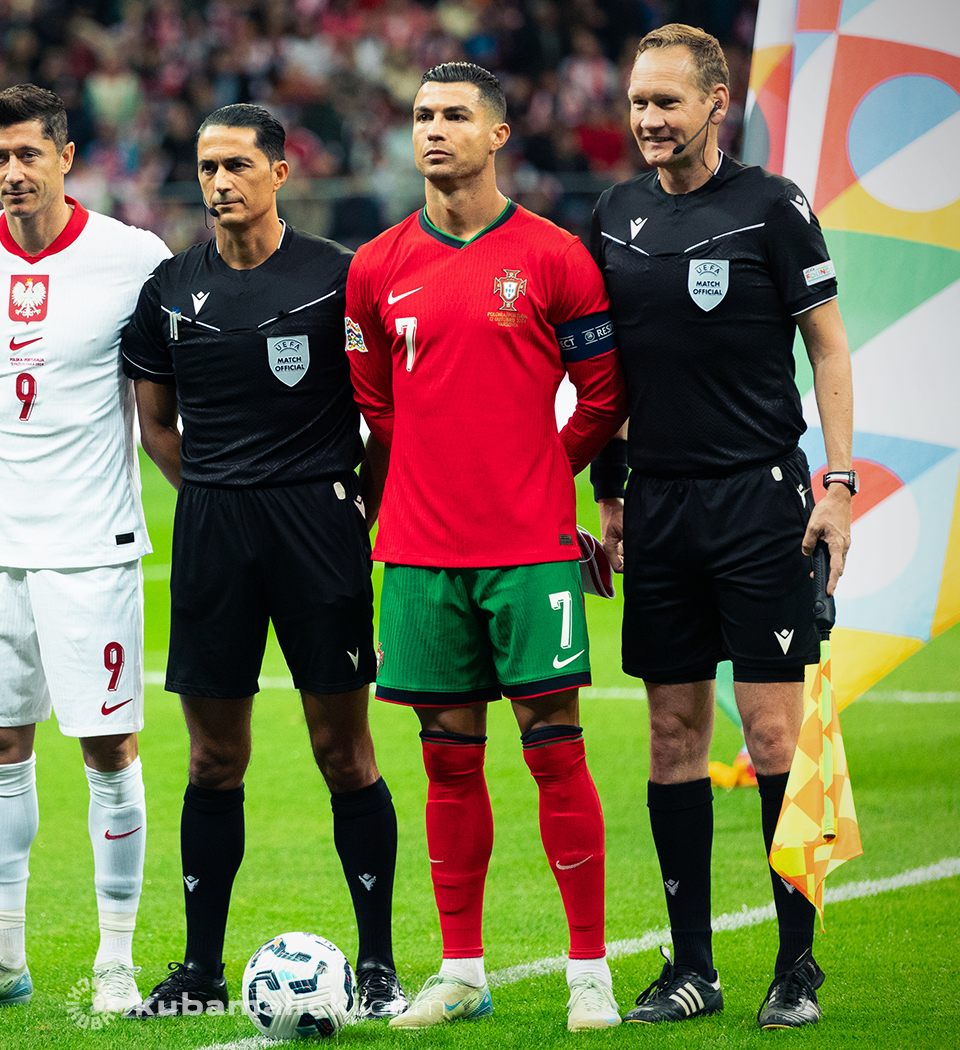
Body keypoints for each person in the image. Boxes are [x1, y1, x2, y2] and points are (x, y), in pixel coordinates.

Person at [345, 62, 627, 1032]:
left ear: (498, 135)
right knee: (445, 760)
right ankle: (460, 969)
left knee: (554, 751)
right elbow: (375, 401)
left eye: (455, 116)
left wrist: (540, 468)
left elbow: (602, 392)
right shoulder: (376, 266)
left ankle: (588, 970)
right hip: (418, 552)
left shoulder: (553, 256)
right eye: (422, 116)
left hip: (529, 547)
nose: (434, 130)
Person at [587, 24, 855, 1030]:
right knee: (669, 733)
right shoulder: (611, 220)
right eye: (637, 102)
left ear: (715, 101)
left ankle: (796, 964)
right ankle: (690, 966)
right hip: (656, 506)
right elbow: (602, 381)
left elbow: (826, 347)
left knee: (774, 728)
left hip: (759, 502)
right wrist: (607, 499)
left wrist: (837, 483)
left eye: (667, 101)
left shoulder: (772, 210)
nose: (649, 120)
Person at [119, 104, 406, 1021]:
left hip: (317, 526)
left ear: (281, 172)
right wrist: (207, 491)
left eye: (238, 164)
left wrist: (352, 501)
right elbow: (156, 425)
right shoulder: (168, 291)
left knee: (343, 750)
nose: (219, 182)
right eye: (206, 167)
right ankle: (200, 971)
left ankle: (377, 962)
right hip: (213, 532)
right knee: (213, 759)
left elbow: (386, 415)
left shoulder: (336, 278)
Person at [0, 84, 170, 1017]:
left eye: (28, 154)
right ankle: (1, 955)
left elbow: (167, 377)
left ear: (65, 157)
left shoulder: (133, 257)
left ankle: (115, 959)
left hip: (91, 543)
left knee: (107, 745)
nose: (11, 172)